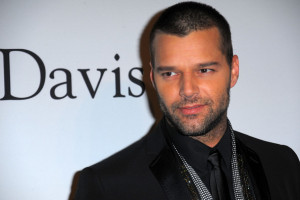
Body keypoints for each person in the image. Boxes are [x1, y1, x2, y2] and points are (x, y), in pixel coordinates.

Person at [74, 2, 300, 200]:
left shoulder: (282, 163)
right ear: (153, 78)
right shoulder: (109, 186)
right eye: (170, 74)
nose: (188, 90)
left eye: (204, 69)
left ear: (233, 71)